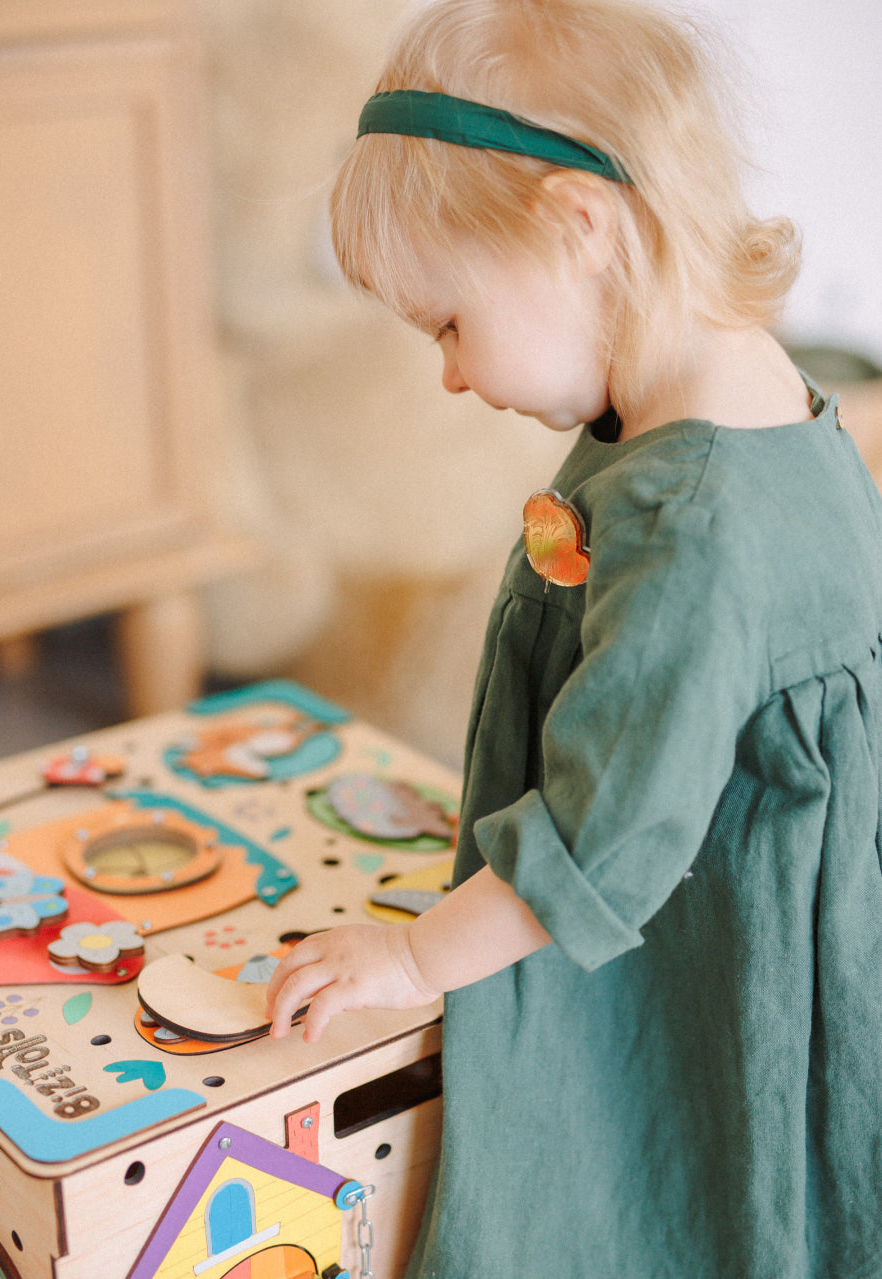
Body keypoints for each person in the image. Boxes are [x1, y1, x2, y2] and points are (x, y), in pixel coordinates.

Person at [266, 1, 882, 1274]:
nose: (448, 371)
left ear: (580, 230)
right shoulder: (766, 402)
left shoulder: (691, 521)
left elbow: (609, 836)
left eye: (448, 323)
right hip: (775, 895)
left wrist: (414, 957)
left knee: (645, 1192)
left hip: (700, 949)